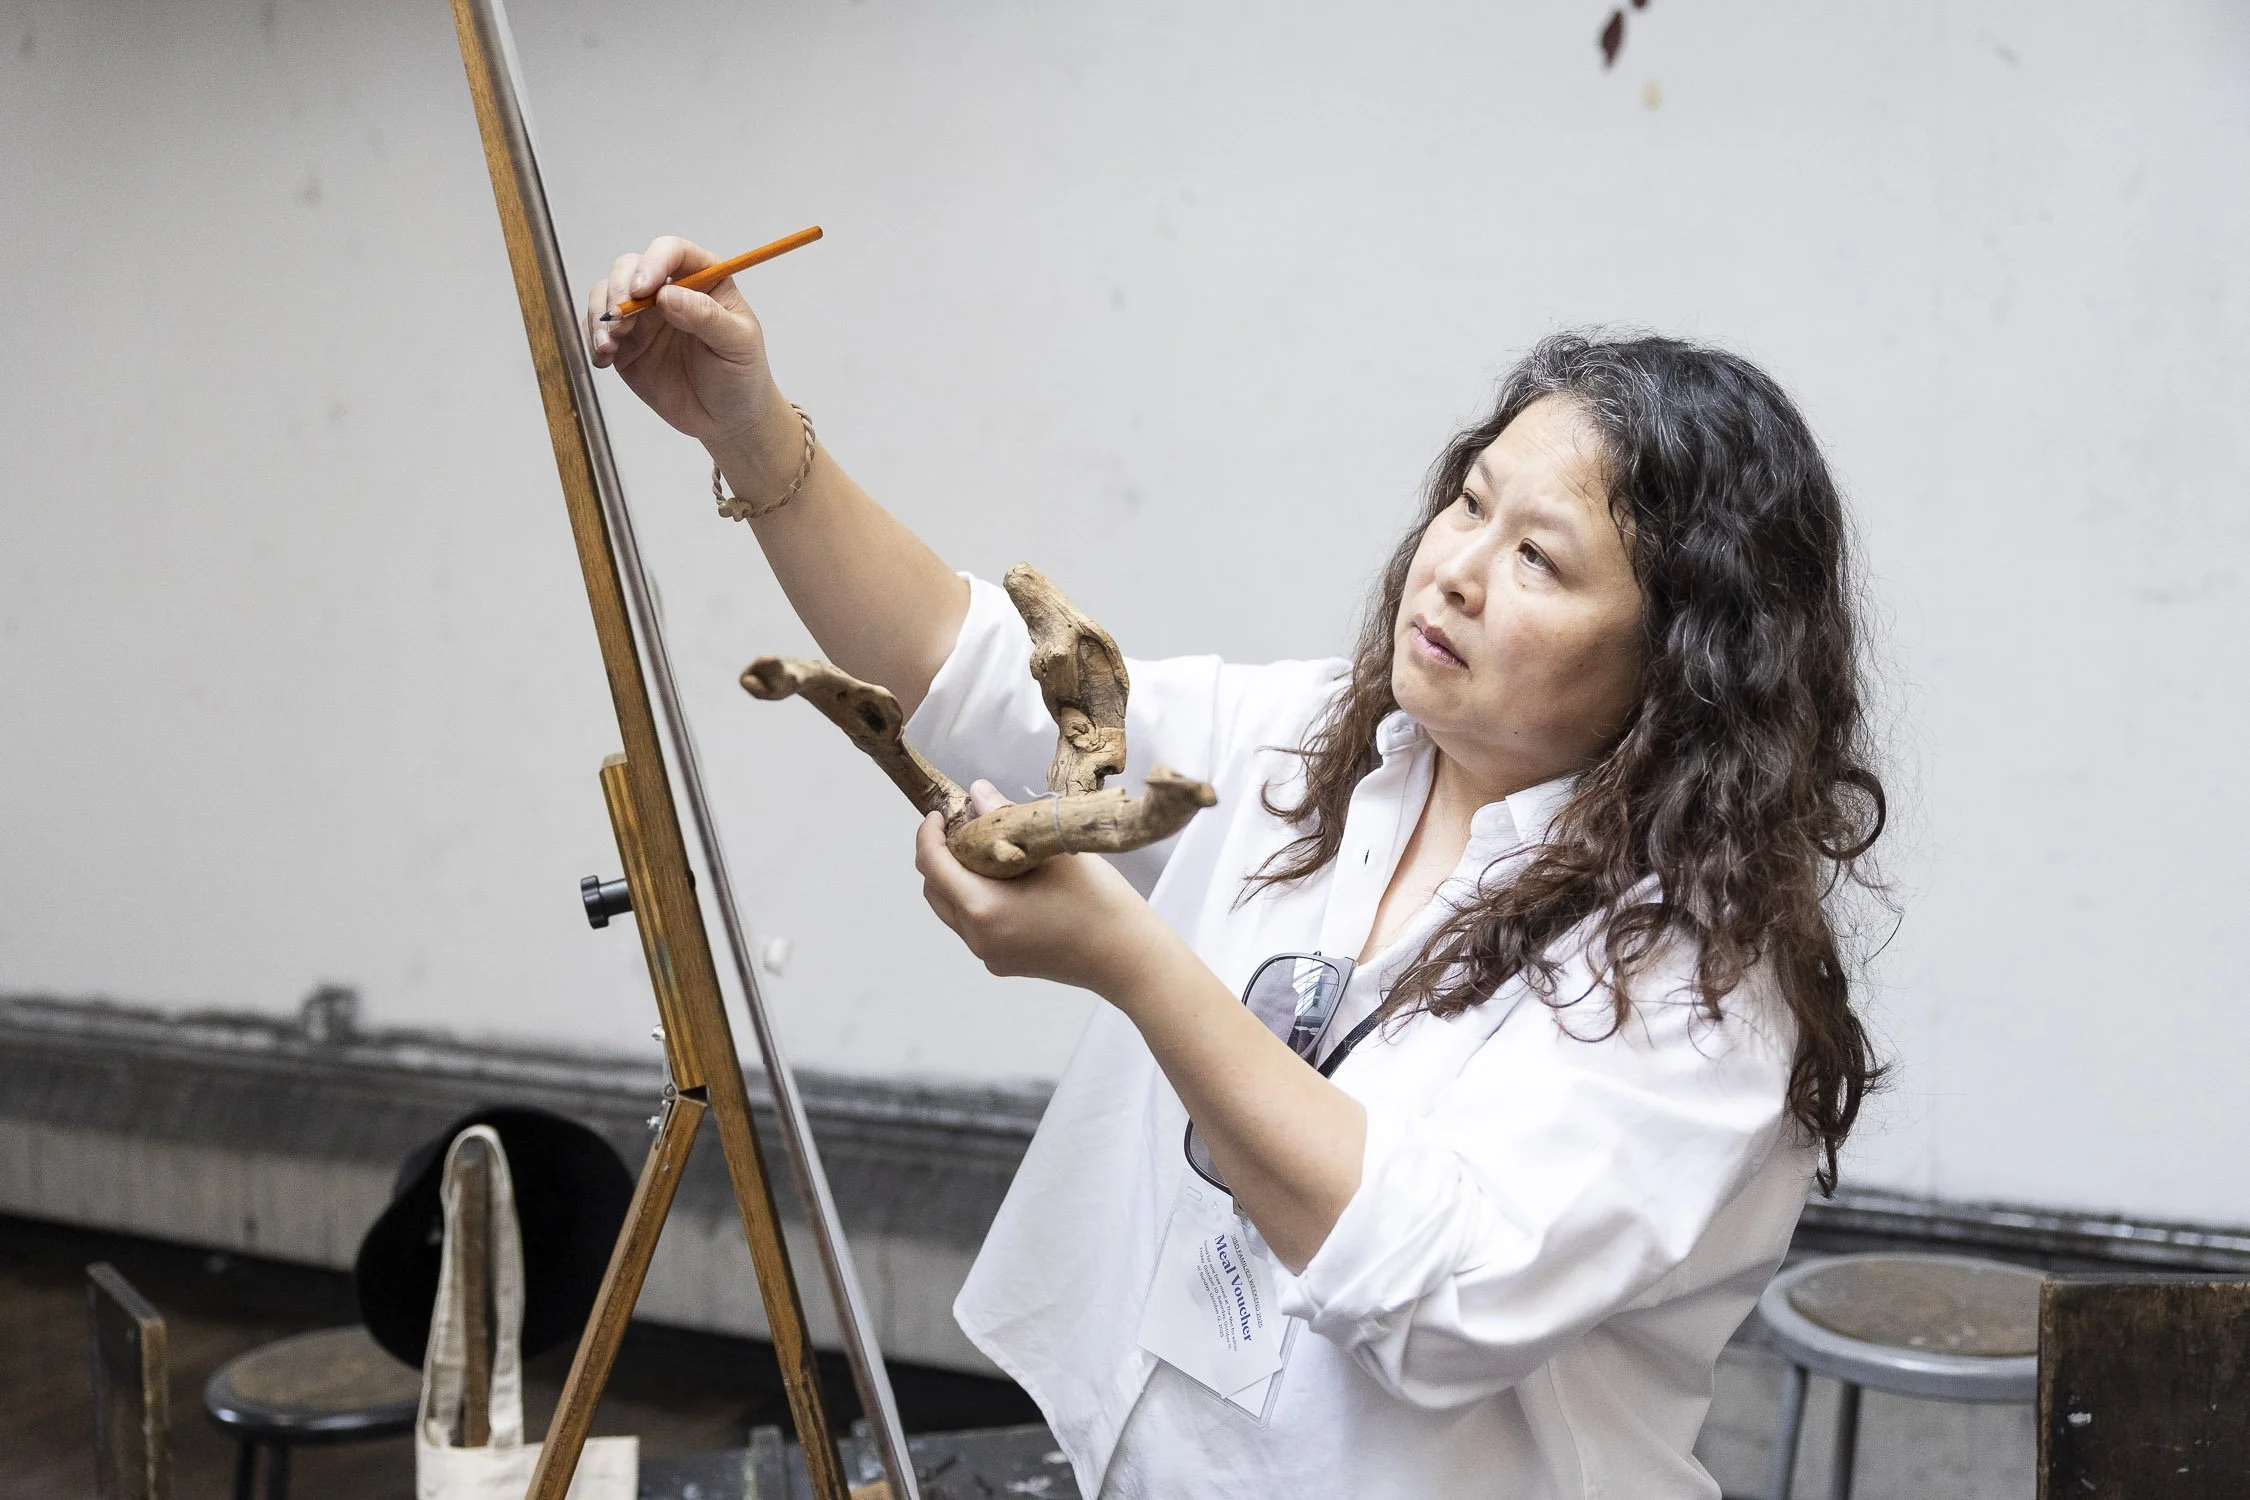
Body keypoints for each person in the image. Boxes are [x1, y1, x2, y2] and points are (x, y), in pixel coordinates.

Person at [586, 238, 1886, 1500]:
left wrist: (1133, 968)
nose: (1457, 572)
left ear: (1681, 662)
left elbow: (1443, 1301)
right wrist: (749, 430)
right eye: (1469, 501)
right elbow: (969, 673)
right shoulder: (1324, 741)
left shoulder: (1698, 974)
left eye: (1539, 559)